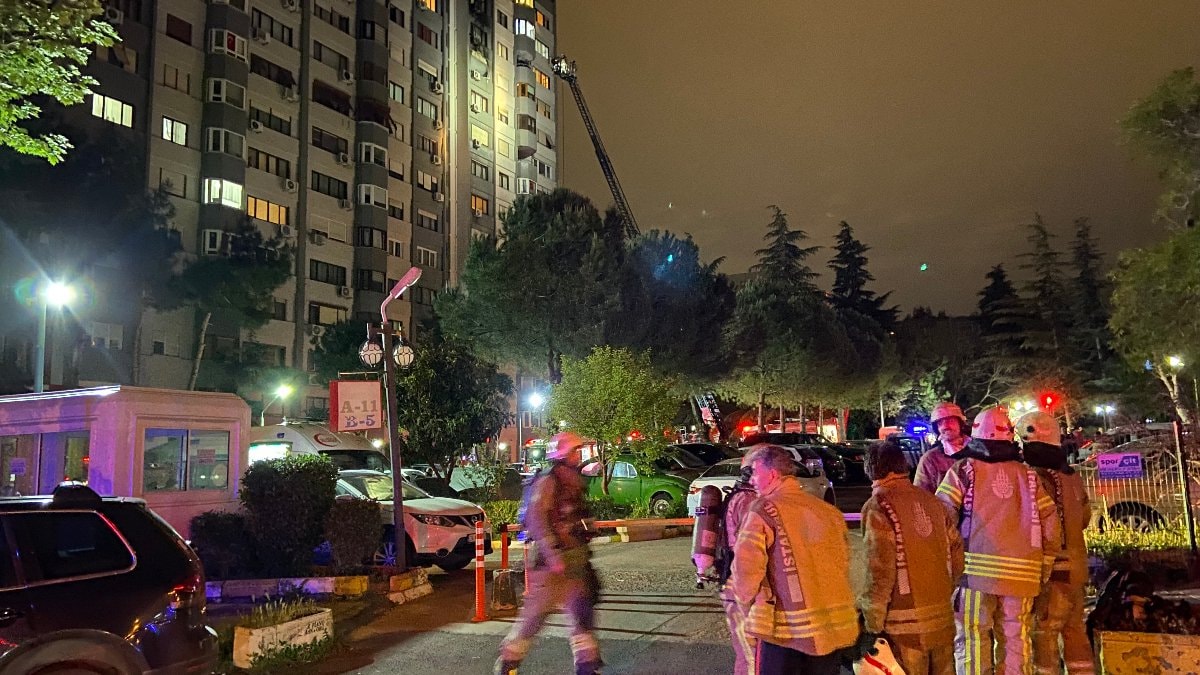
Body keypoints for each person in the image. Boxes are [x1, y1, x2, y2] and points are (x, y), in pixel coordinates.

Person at [936, 406, 1060, 675]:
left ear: (975, 434)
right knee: (1017, 639)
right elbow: (1050, 523)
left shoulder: (964, 470)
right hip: (1023, 576)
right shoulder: (1029, 476)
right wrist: (1046, 563)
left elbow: (942, 516)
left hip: (974, 576)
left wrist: (947, 564)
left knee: (972, 637)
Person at [731, 444, 859, 674]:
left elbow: (746, 571)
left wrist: (747, 608)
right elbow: (844, 562)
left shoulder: (763, 510)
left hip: (785, 634)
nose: (751, 480)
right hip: (832, 631)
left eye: (755, 473)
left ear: (772, 474)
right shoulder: (829, 512)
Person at [496, 431, 602, 675]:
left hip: (575, 561)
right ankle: (508, 664)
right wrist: (553, 555)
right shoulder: (548, 481)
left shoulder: (571, 480)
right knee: (533, 620)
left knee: (582, 618)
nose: (579, 455)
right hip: (551, 567)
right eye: (575, 451)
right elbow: (536, 519)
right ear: (563, 453)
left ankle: (587, 667)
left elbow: (577, 516)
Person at [859, 439, 963, 675]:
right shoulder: (933, 502)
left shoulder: (879, 506)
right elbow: (957, 554)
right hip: (941, 619)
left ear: (872, 469)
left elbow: (879, 570)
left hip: (904, 629)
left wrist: (872, 622)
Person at [1016, 411, 1094, 675]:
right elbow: (1084, 518)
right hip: (1077, 571)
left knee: (1044, 634)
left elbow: (1036, 526)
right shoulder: (1072, 477)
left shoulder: (1035, 479)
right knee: (1075, 633)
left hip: (1054, 574)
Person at [691, 453, 758, 675]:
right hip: (740, 586)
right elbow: (749, 548)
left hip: (734, 582)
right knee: (751, 656)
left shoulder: (739, 495)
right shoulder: (748, 501)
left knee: (749, 652)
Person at [915, 401, 975, 493]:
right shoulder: (930, 460)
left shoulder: (979, 453)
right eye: (940, 423)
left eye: (950, 420)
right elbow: (921, 495)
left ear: (960, 423)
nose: (945, 426)